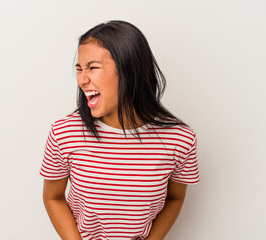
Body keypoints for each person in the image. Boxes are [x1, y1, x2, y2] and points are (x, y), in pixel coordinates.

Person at [40, 20, 199, 240]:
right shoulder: (64, 133)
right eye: (79, 69)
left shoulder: (180, 140)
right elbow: (53, 197)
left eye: (92, 67)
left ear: (129, 69)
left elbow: (175, 198)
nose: (82, 80)